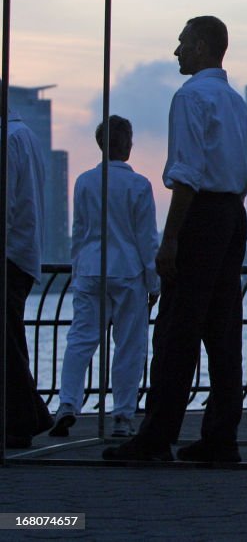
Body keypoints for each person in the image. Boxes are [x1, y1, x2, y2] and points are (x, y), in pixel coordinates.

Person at [103, 15, 247, 463]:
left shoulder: (190, 97)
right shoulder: (237, 103)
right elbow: (242, 175)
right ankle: (221, 437)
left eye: (183, 43)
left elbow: (186, 174)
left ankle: (156, 436)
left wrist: (169, 242)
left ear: (203, 47)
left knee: (175, 331)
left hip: (203, 215)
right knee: (223, 331)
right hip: (233, 216)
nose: (177, 52)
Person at [51, 116, 159, 439]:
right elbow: (147, 240)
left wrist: (77, 269)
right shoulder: (140, 185)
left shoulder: (84, 182)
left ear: (100, 145)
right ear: (128, 144)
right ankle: (122, 417)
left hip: (90, 269)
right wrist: (154, 283)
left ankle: (67, 403)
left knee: (81, 340)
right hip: (128, 272)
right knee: (129, 346)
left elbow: (79, 232)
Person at [3, 107, 54, 449]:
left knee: (7, 342)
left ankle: (27, 417)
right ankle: (28, 416)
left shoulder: (7, 140)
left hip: (8, 251)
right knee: (11, 338)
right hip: (23, 252)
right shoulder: (28, 137)